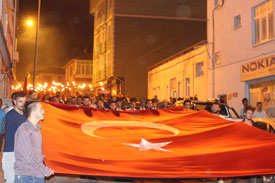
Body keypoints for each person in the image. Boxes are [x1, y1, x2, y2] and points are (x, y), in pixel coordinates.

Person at [14, 101, 54, 182]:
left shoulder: (37, 129)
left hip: (37, 174)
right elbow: (28, 158)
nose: (43, 111)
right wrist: (45, 170)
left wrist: (42, 157)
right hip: (27, 176)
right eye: (41, 109)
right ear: (33, 112)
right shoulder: (24, 130)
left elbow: (33, 152)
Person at [2, 92, 27, 183]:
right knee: (11, 180)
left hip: (22, 153)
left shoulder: (25, 115)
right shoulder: (10, 115)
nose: (23, 104)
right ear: (14, 101)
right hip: (11, 152)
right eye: (20, 101)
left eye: (24, 101)